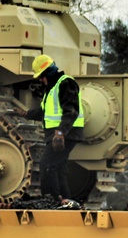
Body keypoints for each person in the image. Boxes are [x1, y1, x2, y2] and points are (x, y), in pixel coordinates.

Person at [21, 54, 85, 200]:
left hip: (66, 134)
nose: (40, 80)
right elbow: (47, 113)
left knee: (47, 164)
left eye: (42, 76)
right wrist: (27, 114)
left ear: (49, 72)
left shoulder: (65, 83)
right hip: (58, 134)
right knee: (57, 167)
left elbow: (71, 111)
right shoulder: (52, 88)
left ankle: (51, 200)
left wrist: (60, 132)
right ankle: (64, 201)